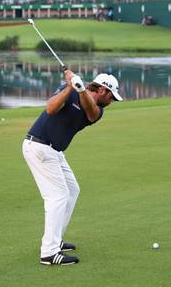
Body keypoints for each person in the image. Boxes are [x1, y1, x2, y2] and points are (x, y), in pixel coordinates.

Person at [22, 70, 123, 266]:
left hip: (55, 152)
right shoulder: (68, 90)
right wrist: (70, 87)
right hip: (40, 148)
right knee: (57, 196)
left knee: (72, 190)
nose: (112, 101)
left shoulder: (97, 110)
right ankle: (49, 252)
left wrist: (81, 89)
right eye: (111, 96)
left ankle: (56, 239)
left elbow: (91, 113)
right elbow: (50, 109)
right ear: (102, 90)